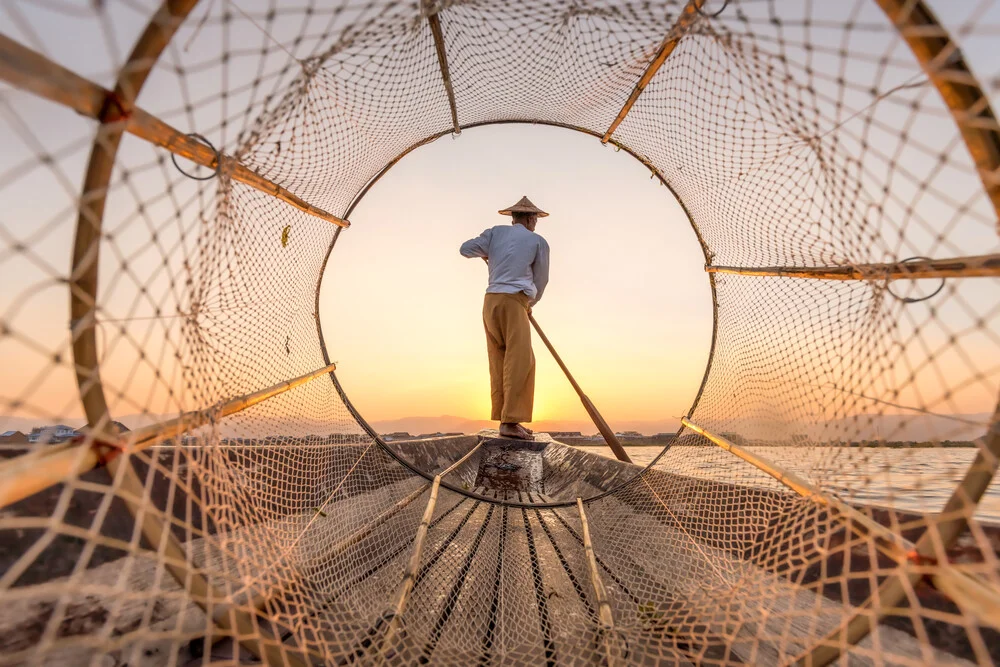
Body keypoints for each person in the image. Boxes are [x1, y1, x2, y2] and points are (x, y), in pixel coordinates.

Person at [460, 196, 550, 440]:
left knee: (498, 358)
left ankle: (505, 420)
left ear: (513, 218)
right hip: (514, 301)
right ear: (531, 219)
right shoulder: (537, 241)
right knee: (521, 361)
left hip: (490, 302)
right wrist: (529, 304)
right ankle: (510, 422)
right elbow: (540, 281)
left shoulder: (494, 234)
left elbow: (465, 249)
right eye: (535, 220)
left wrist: (485, 253)